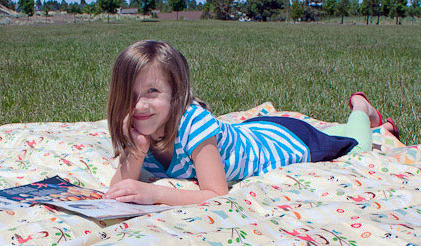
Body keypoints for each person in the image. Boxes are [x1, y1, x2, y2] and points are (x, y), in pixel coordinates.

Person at [103, 40, 399, 206]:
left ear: (176, 94)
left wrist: (154, 194)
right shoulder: (142, 131)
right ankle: (377, 129)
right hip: (257, 131)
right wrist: (138, 149)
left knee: (355, 149)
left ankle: (361, 109)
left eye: (152, 92)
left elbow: (217, 194)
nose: (139, 105)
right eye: (130, 95)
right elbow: (118, 189)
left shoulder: (193, 126)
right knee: (328, 135)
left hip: (285, 141)